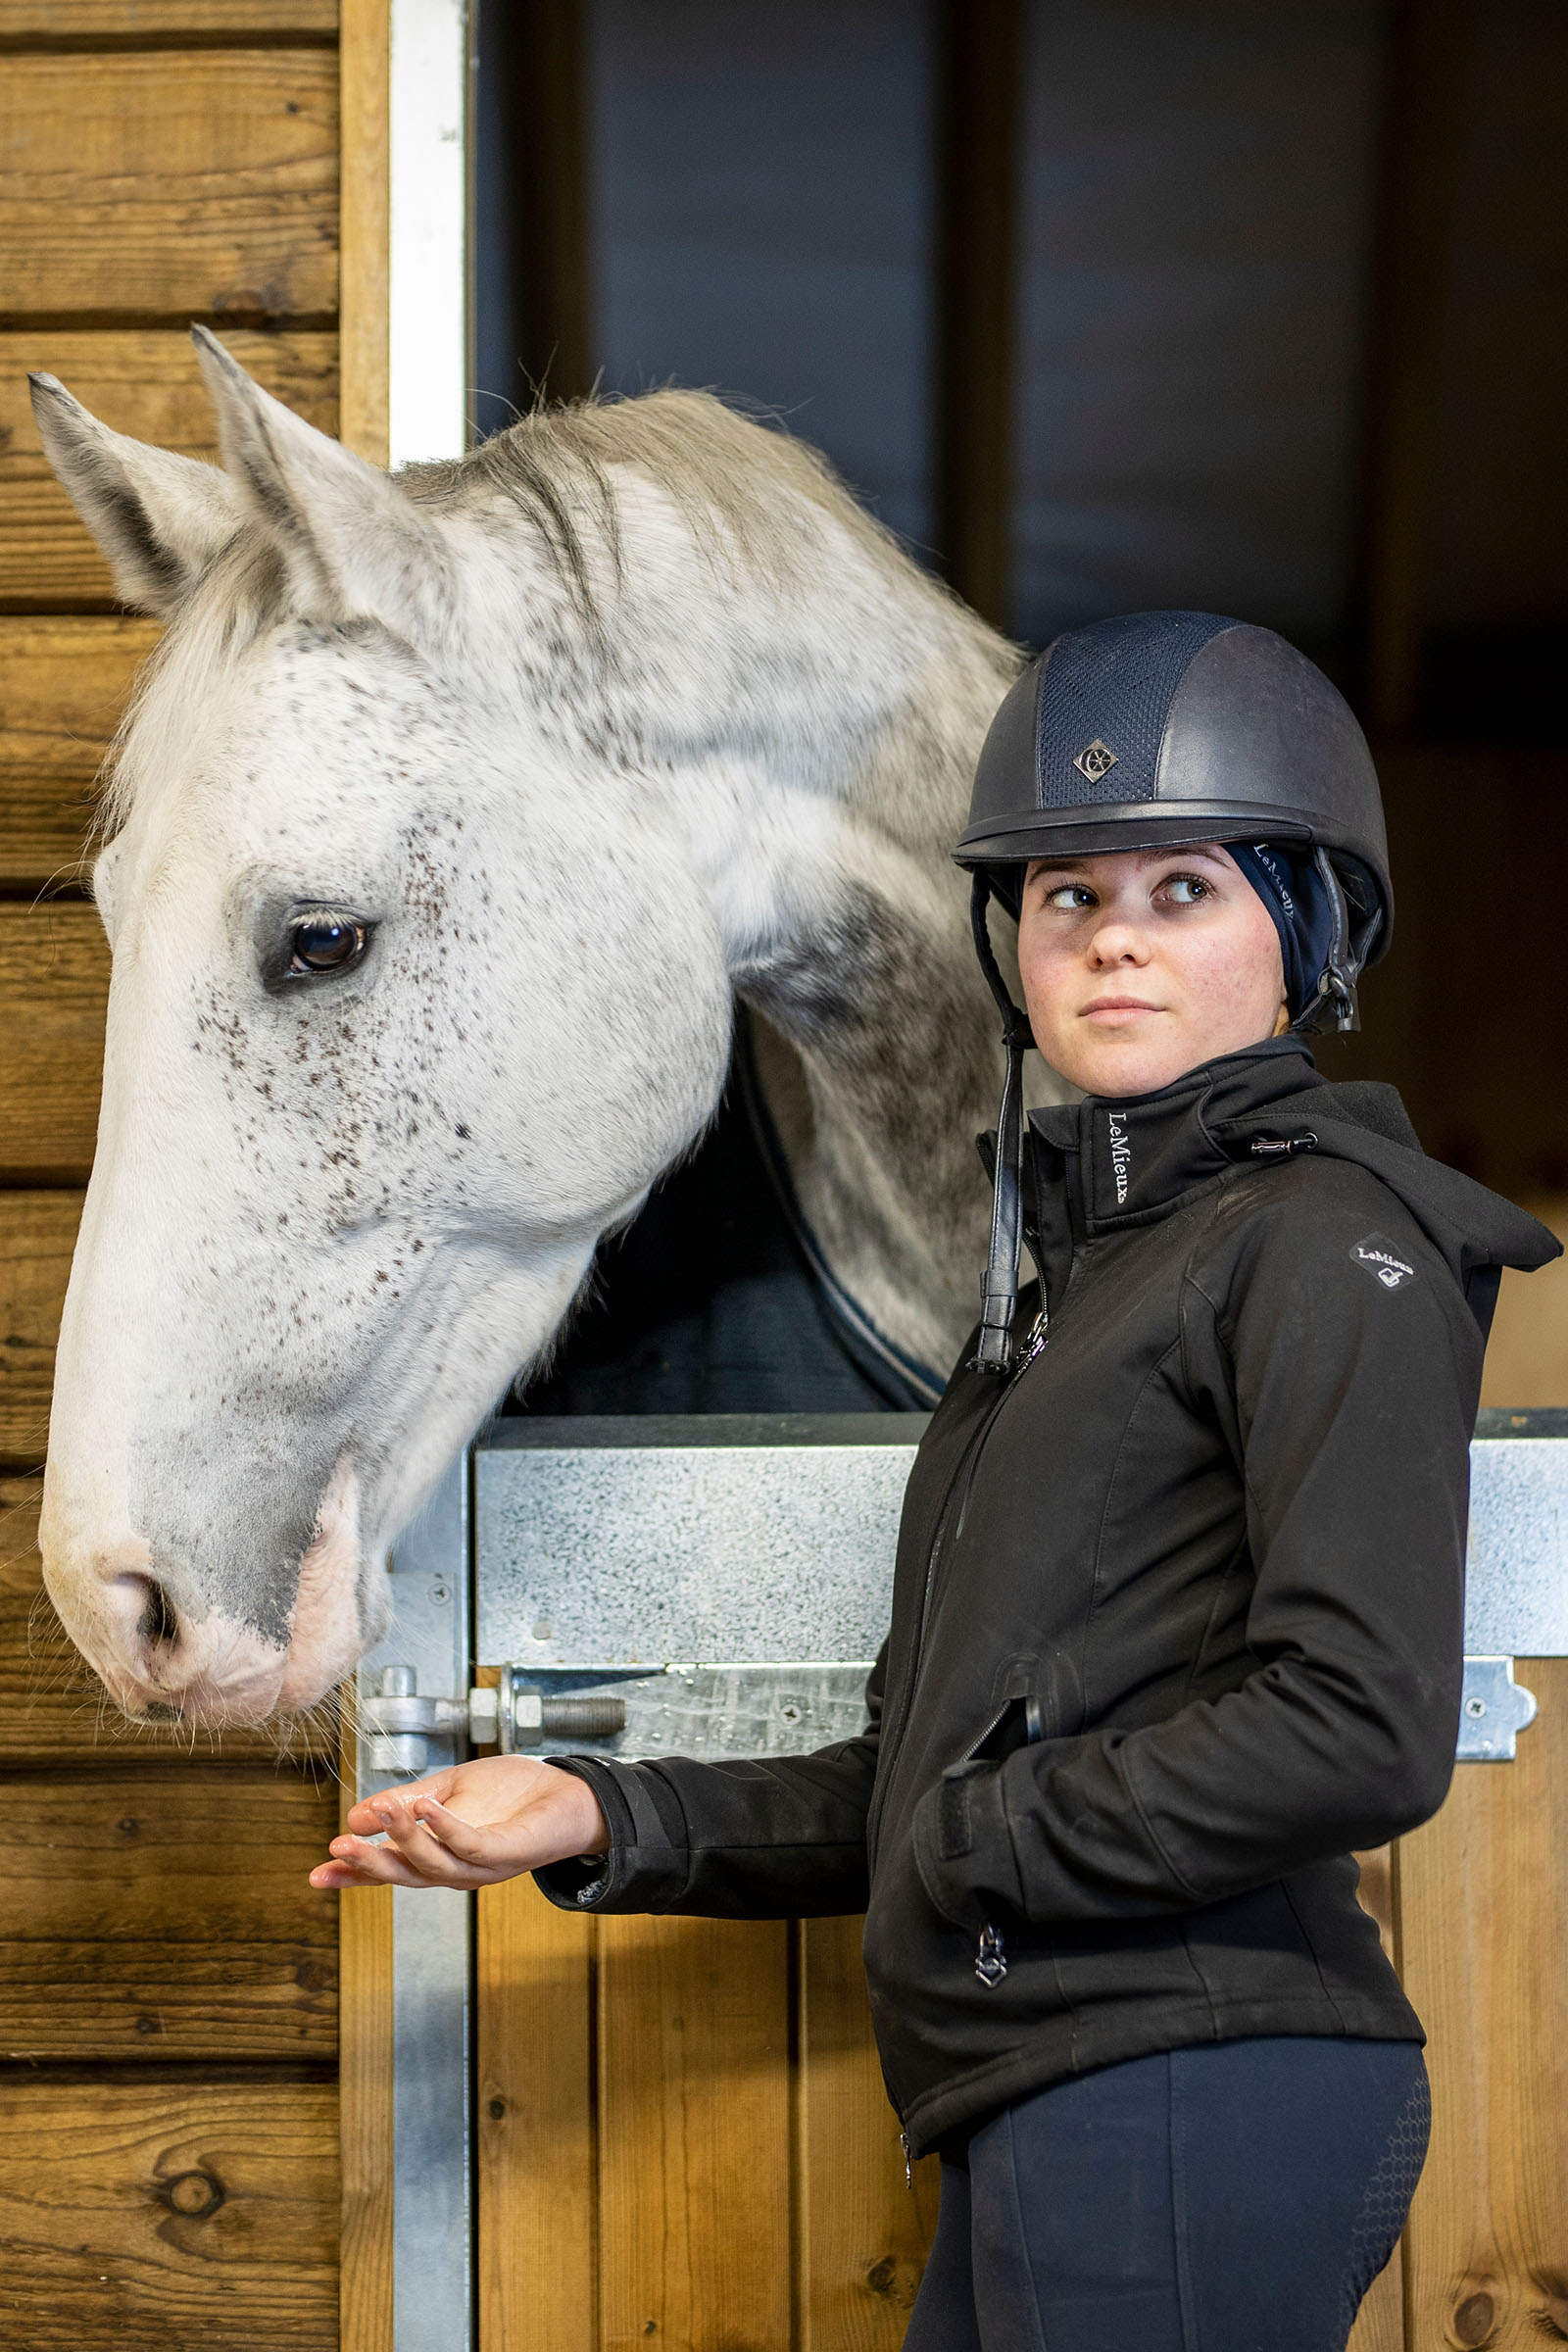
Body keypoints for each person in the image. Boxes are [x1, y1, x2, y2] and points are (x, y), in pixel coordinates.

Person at [313, 611, 1559, 2349]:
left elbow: (1357, 1723)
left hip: (1189, 2081)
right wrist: (607, 1811)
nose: (1114, 942)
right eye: (1068, 899)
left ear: (1310, 930)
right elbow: (924, 1767)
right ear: (1016, 948)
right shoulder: (1077, 1292)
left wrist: (979, 1836)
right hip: (1064, 2086)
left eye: (1181, 892)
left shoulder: (1328, 1243)